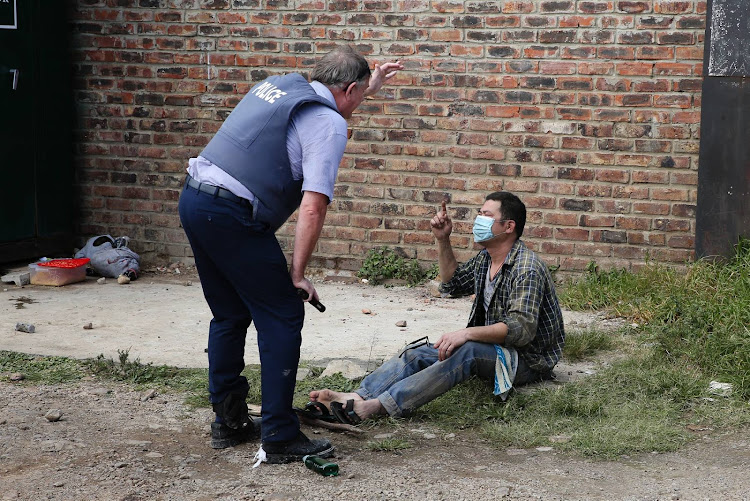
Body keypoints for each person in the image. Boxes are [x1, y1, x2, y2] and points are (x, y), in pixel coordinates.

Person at [177, 46, 403, 464]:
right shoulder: (329, 124)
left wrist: (368, 89)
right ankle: (279, 435)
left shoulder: (281, 87)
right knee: (283, 312)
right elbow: (313, 206)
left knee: (229, 313)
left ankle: (228, 423)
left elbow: (331, 98)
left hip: (195, 199)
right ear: (348, 89)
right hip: (231, 215)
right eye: (358, 95)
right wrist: (297, 273)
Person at [308, 192, 565, 423]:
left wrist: (466, 333)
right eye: (479, 214)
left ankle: (378, 406)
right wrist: (443, 239)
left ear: (508, 226)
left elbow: (520, 330)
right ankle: (356, 395)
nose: (478, 219)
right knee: (418, 353)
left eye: (486, 215)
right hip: (497, 350)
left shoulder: (526, 267)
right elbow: (452, 283)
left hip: (527, 361)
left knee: (467, 350)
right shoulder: (486, 260)